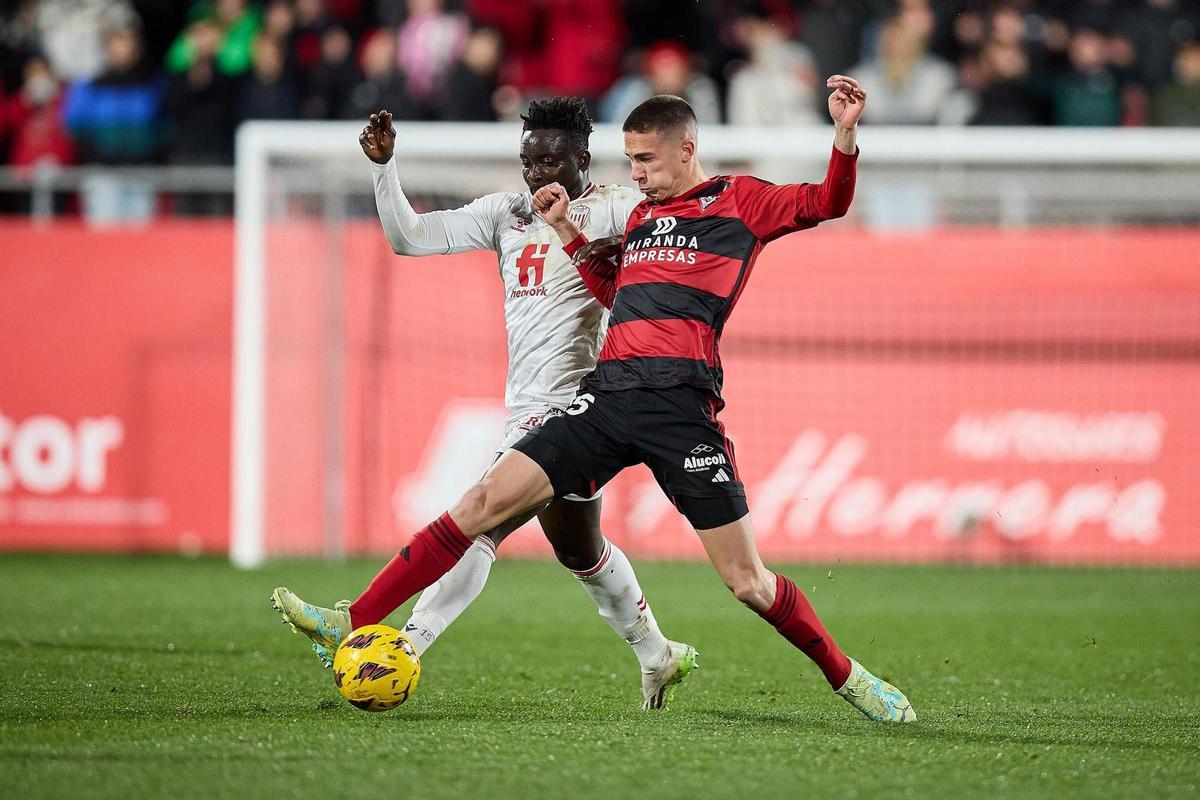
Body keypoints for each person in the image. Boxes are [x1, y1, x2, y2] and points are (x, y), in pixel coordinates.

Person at [276, 76, 915, 723]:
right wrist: (568, 234)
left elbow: (827, 203)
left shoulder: (739, 201)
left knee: (747, 582)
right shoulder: (640, 218)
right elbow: (618, 297)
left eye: (645, 160)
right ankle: (350, 620)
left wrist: (844, 135)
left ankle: (850, 677)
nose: (634, 174)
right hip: (604, 399)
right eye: (630, 160)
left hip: (680, 411)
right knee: (482, 504)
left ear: (685, 148)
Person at [272, 97, 698, 711]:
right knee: (579, 549)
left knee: (479, 524)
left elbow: (668, 241)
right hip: (524, 405)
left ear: (581, 160)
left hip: (578, 408)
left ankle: (390, 640)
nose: (537, 175)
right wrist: (384, 169)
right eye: (529, 162)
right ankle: (657, 653)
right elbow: (409, 238)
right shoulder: (506, 214)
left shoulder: (615, 209)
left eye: (551, 162)